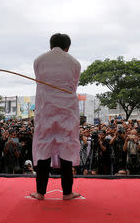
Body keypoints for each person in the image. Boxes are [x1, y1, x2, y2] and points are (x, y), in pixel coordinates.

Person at [30, 33, 81, 200]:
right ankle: (67, 193)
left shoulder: (39, 60)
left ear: (51, 45)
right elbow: (73, 85)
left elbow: (39, 79)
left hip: (46, 110)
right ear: (68, 47)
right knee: (66, 146)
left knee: (44, 146)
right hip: (67, 111)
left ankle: (40, 192)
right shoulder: (74, 63)